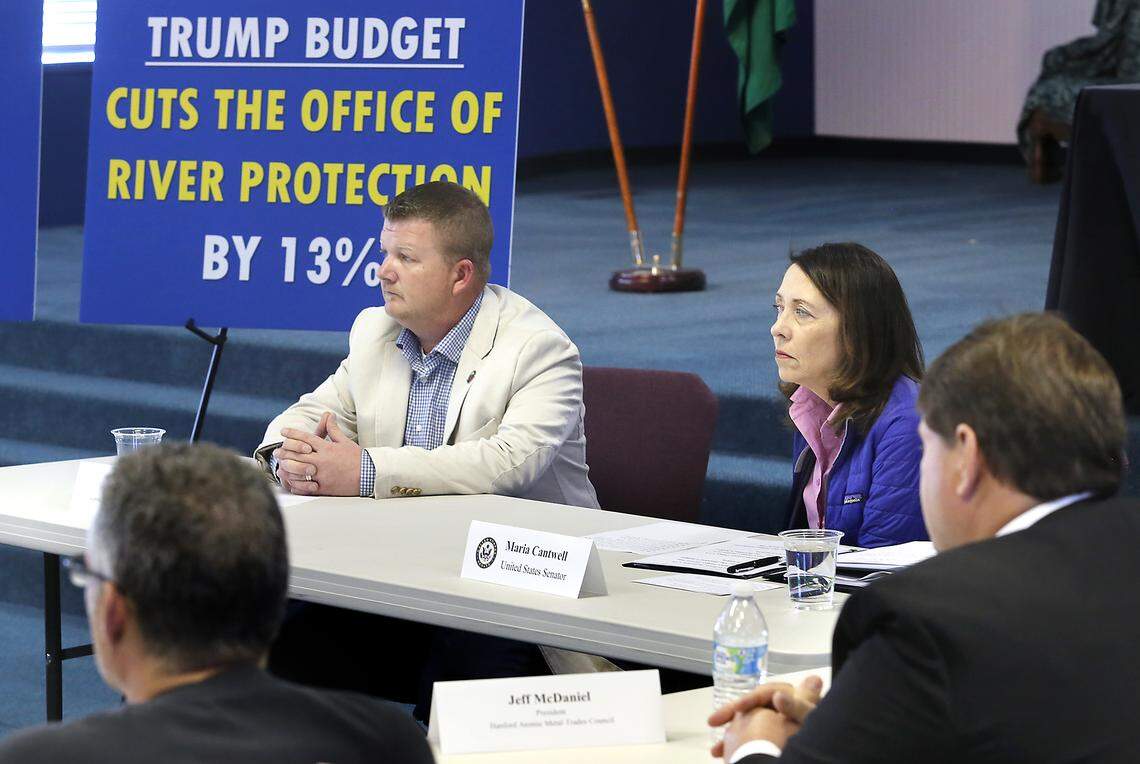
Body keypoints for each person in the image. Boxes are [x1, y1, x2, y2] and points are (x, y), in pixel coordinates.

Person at [712, 312, 1140, 763]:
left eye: (927, 447)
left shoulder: (928, 620)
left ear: (966, 457)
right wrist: (852, 728)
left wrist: (756, 742)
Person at [0, 443, 433, 764]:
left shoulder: (38, 758)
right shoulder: (387, 741)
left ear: (114, 612)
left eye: (87, 573)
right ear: (271, 594)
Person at [255, 180, 599, 510]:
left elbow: (508, 463)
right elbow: (310, 414)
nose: (383, 271)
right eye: (385, 253)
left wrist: (366, 471)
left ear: (460, 275)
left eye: (405, 258)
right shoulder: (375, 329)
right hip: (410, 535)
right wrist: (287, 460)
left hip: (533, 541)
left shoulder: (539, 349)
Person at [772, 242, 926, 547]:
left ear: (858, 330)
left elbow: (883, 565)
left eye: (801, 312)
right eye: (779, 308)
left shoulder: (908, 425)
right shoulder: (811, 403)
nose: (778, 328)